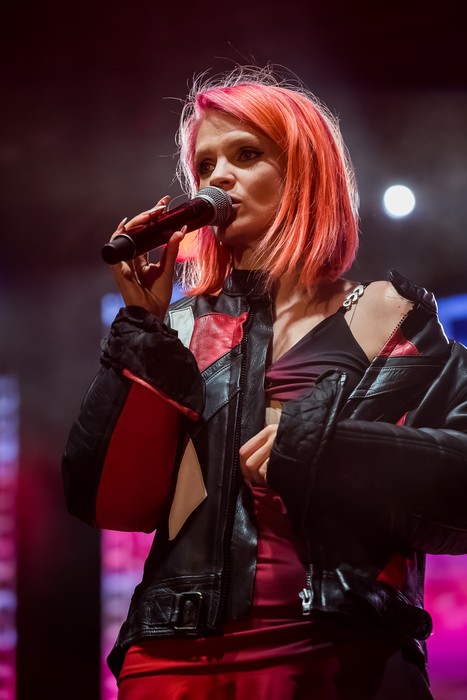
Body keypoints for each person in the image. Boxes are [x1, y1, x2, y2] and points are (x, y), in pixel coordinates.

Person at [62, 65, 467, 699]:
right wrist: (141, 329)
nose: (218, 177)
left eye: (246, 155)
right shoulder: (177, 329)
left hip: (338, 651)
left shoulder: (391, 314)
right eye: (205, 165)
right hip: (173, 656)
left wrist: (321, 448)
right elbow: (108, 502)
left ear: (305, 172)